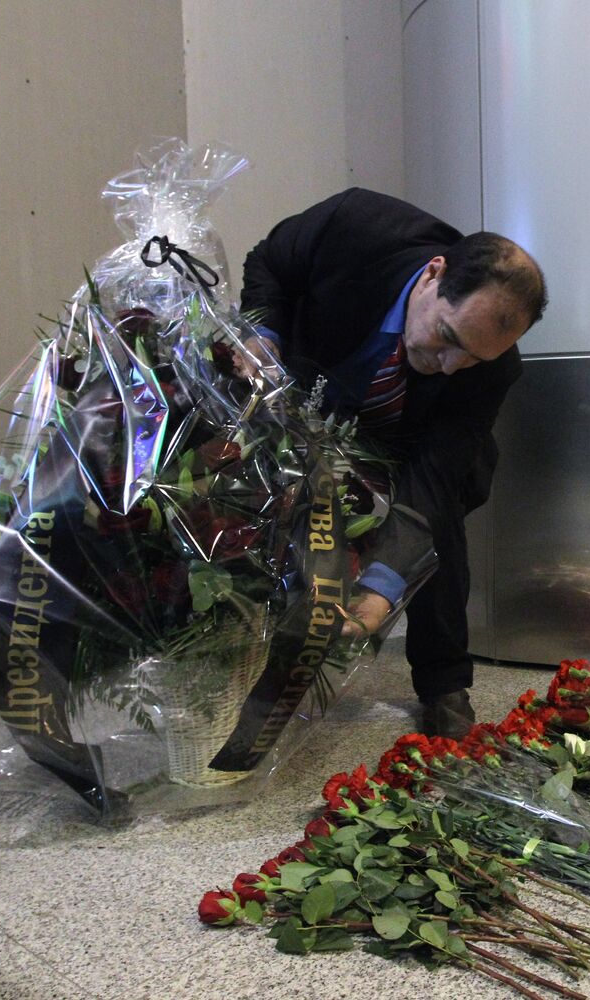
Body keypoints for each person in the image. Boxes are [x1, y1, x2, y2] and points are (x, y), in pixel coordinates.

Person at [240, 188, 547, 736]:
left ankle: (445, 684)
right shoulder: (357, 227)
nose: (450, 366)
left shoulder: (490, 370)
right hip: (311, 393)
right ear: (434, 274)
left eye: (473, 358)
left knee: (439, 528)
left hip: (411, 438)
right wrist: (261, 333)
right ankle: (242, 663)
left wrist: (382, 591)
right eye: (447, 337)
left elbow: (433, 475)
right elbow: (270, 262)